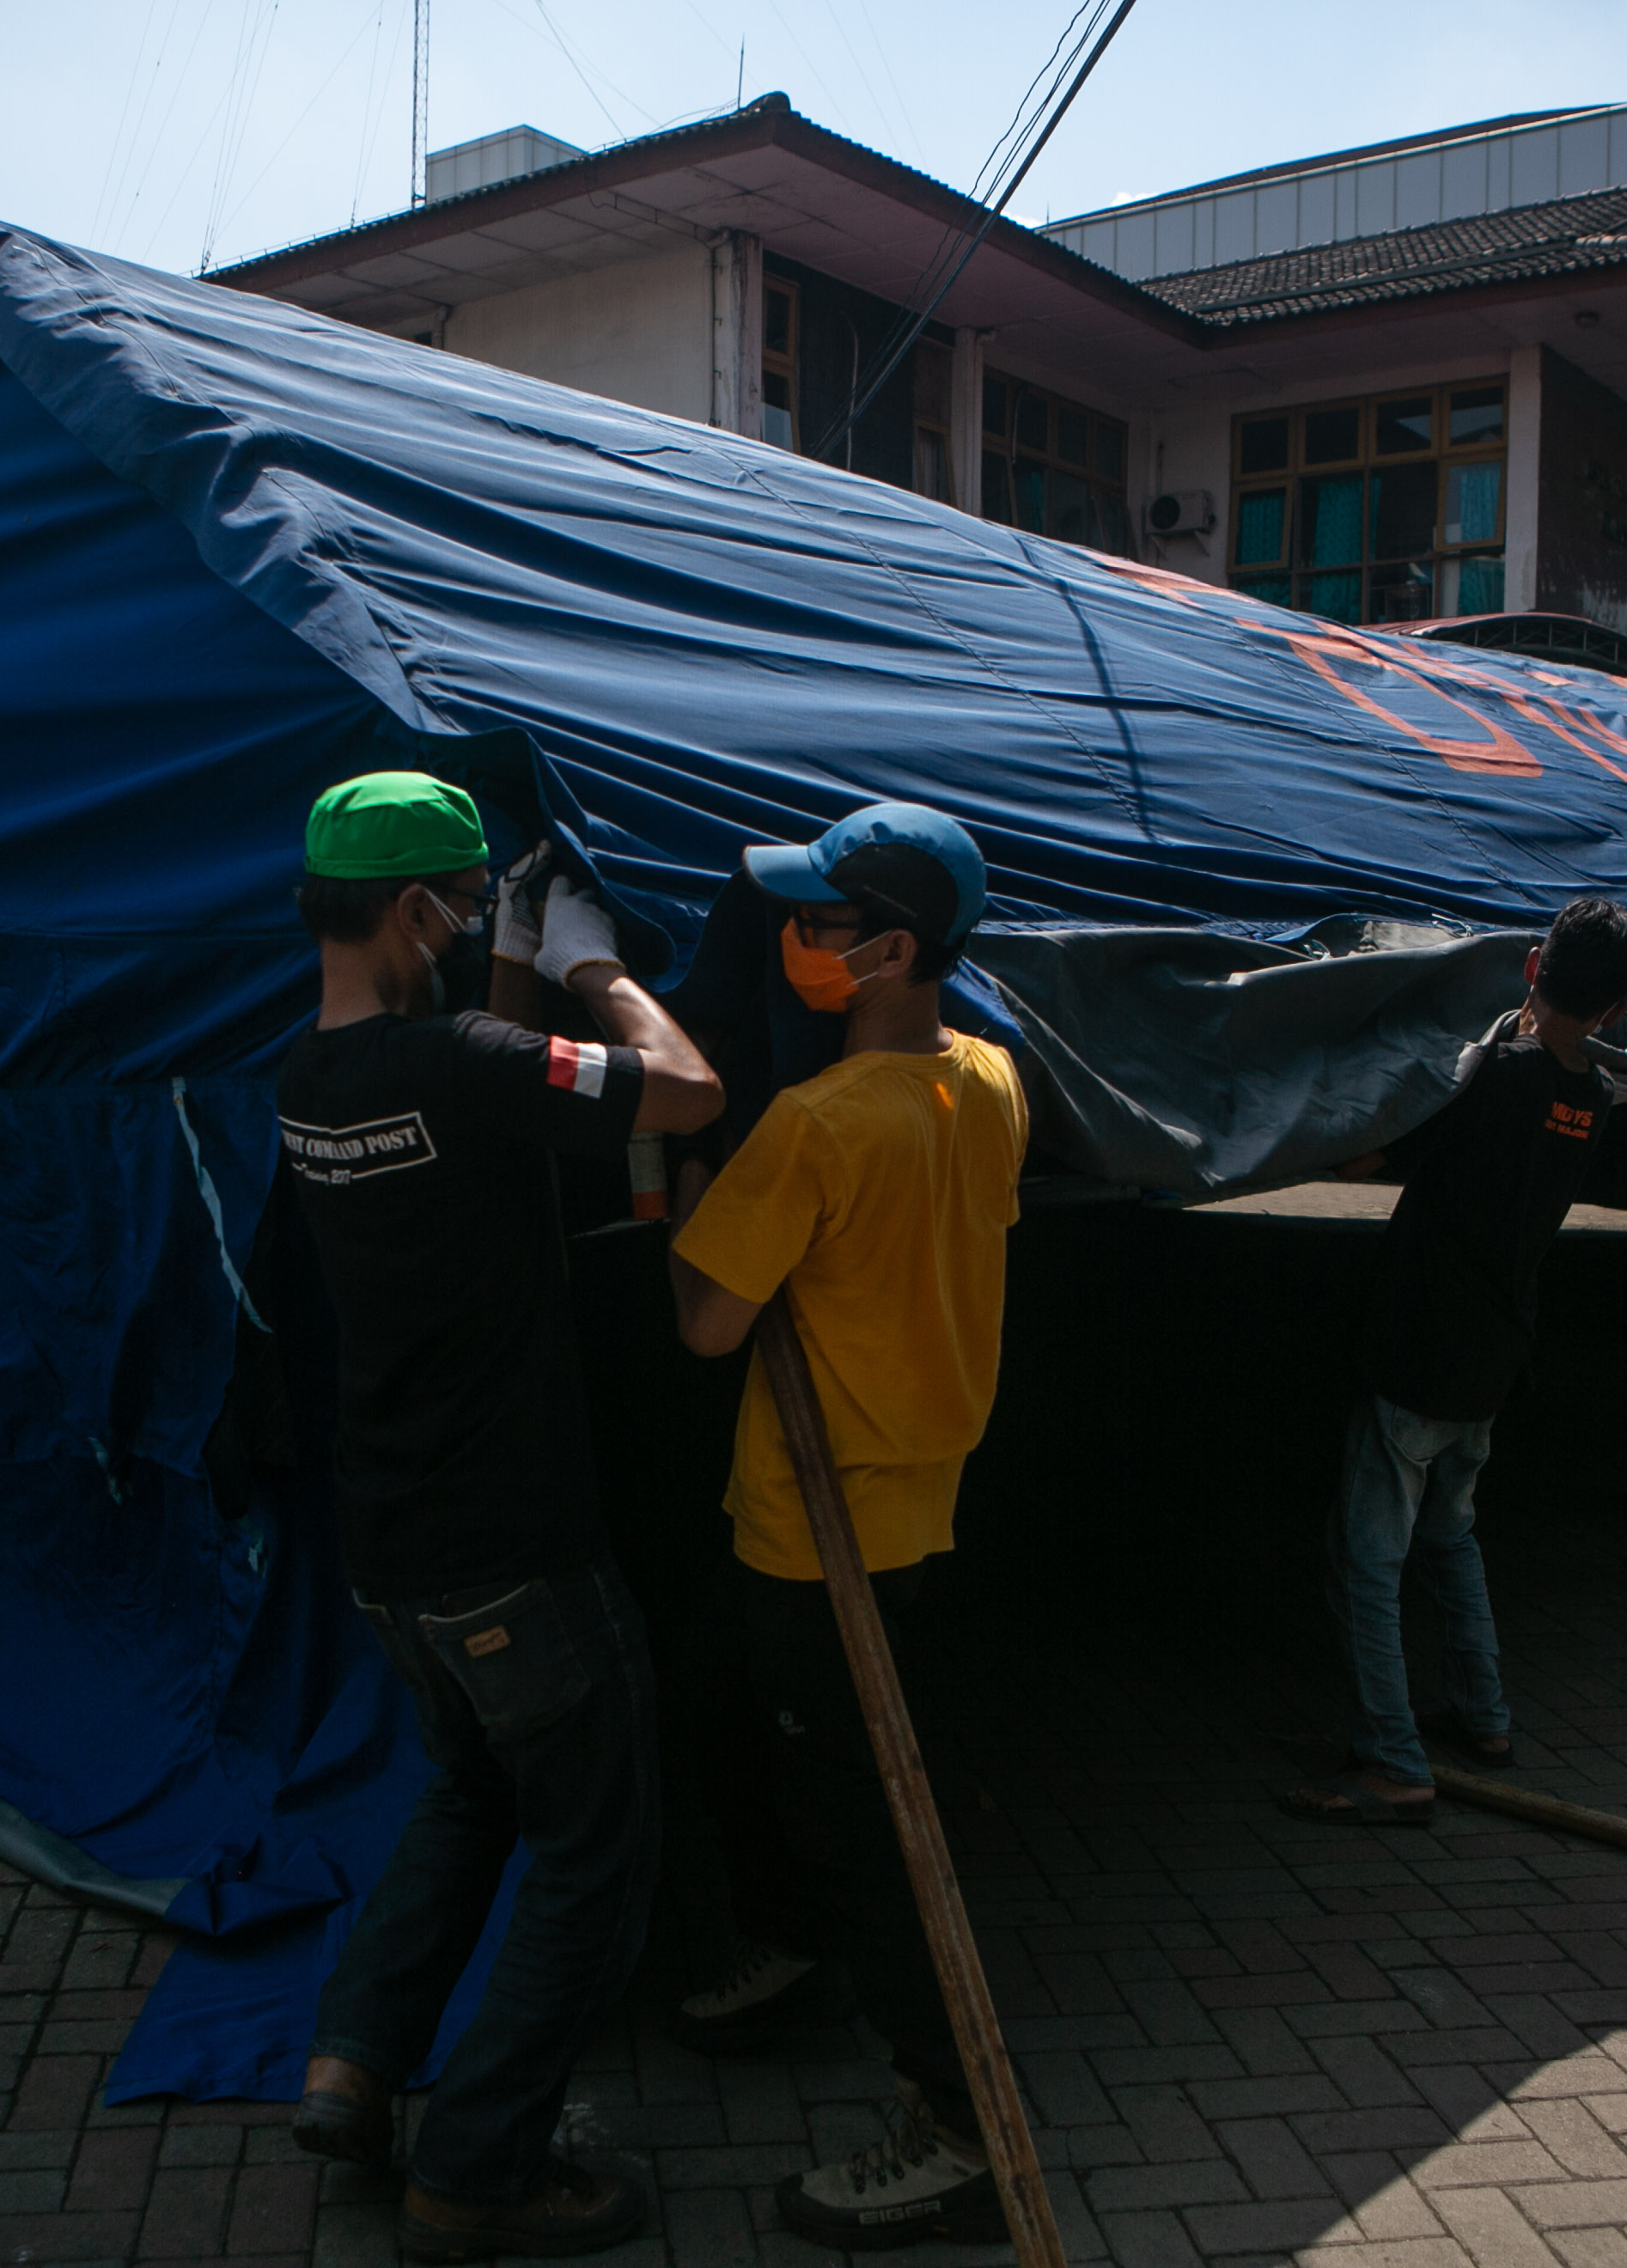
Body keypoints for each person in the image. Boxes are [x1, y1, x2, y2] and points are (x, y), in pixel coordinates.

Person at [273, 771, 724, 2262]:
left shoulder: (308, 1080)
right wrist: (595, 967)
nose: (473, 930)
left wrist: (516, 962)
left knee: (470, 1796)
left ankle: (352, 2069)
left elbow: (488, 1080)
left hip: (392, 1541)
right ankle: (475, 2168)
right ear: (414, 910)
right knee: (594, 1854)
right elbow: (684, 1091)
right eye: (465, 908)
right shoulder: (460, 1062)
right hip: (513, 1540)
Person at [663, 802, 1030, 2251]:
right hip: (921, 1499)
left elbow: (708, 1326)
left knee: (866, 1829)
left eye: (819, 923)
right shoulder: (993, 1080)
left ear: (890, 951)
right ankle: (788, 1942)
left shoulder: (813, 1127)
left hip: (816, 1530)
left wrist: (690, 1198)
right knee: (737, 1713)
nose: (794, 941)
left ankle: (955, 2122)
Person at [1280, 899, 1627, 1830]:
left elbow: (1366, 1157)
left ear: (1531, 967)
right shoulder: (1591, 1100)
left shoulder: (1488, 1077)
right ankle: (1483, 1719)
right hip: (1493, 1354)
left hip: (1420, 1349)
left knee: (1367, 1562)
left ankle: (1394, 1761)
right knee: (1451, 1536)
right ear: (1615, 1011)